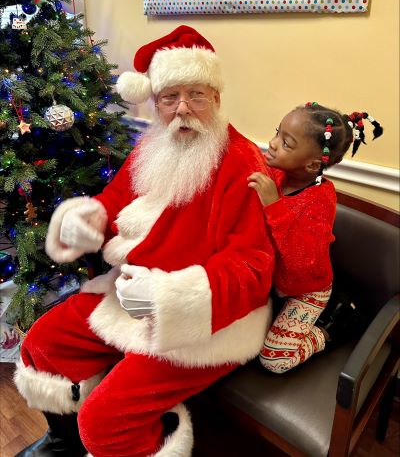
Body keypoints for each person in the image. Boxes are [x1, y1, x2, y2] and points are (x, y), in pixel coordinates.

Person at [14, 25, 275, 457]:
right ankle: (63, 442)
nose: (182, 109)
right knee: (42, 344)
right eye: (169, 98)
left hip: (207, 317)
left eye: (196, 94)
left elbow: (253, 265)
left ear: (217, 98)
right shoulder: (151, 147)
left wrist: (168, 295)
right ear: (155, 104)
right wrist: (87, 220)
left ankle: (156, 441)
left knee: (105, 420)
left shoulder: (242, 162)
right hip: (132, 289)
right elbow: (113, 202)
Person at [248, 103, 383, 374]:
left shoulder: (320, 201)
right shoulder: (274, 174)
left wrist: (275, 206)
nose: (272, 144)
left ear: (311, 163)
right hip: (273, 280)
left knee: (273, 360)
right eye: (277, 133)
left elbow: (301, 262)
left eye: (286, 143)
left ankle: (336, 324)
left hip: (307, 289)